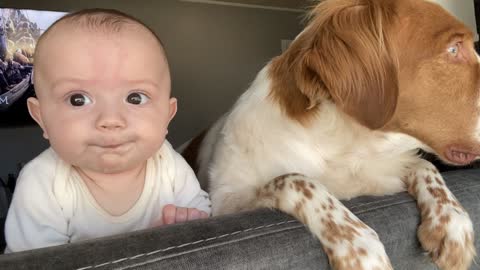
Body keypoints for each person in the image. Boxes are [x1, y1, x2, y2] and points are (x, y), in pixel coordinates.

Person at [4, 8, 211, 253]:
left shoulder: (168, 163)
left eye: (135, 98)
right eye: (77, 99)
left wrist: (188, 222)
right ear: (42, 118)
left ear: (167, 115)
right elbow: (37, 263)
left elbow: (204, 217)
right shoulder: (42, 183)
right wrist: (149, 243)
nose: (110, 120)